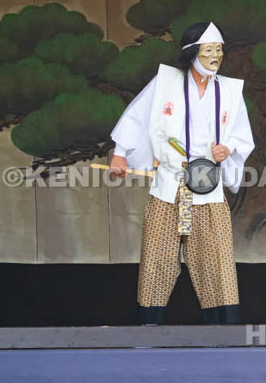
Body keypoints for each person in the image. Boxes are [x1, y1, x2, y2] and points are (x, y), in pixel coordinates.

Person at [108, 21, 255, 325]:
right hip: (171, 185)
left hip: (207, 187)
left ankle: (223, 334)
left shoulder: (229, 90)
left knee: (217, 263)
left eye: (219, 50)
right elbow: (137, 114)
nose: (216, 55)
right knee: (157, 262)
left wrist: (226, 149)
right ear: (192, 53)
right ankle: (149, 328)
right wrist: (120, 154)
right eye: (209, 50)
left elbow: (242, 136)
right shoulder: (166, 82)